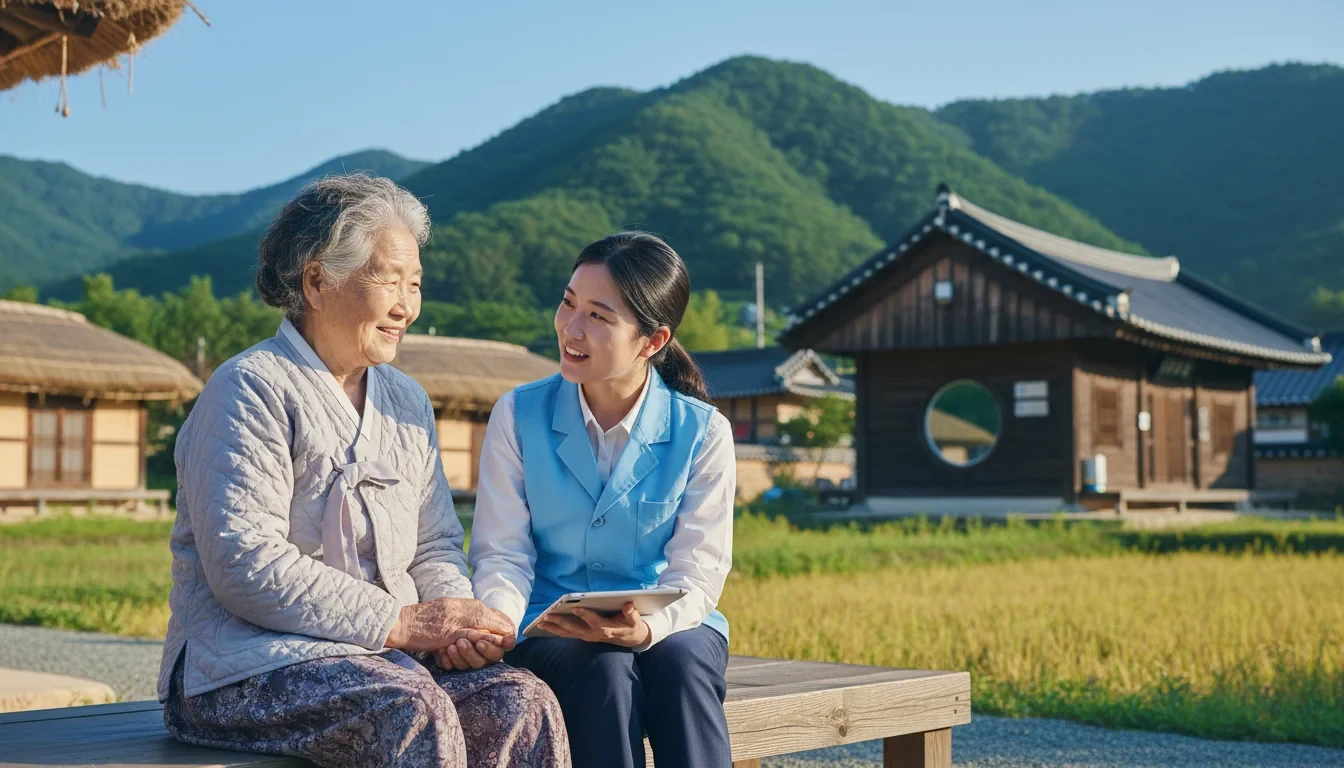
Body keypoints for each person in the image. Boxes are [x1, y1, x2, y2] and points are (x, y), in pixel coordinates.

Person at [157, 174, 569, 768]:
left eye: (415, 283)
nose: (407, 306)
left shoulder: (407, 400)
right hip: (241, 665)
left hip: (385, 661)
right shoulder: (249, 388)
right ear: (317, 282)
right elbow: (247, 563)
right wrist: (403, 622)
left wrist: (456, 623)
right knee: (412, 708)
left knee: (520, 700)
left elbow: (434, 545)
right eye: (389, 281)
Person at [470, 232, 736, 768]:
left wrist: (646, 628)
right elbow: (502, 553)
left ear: (652, 341)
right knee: (603, 668)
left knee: (683, 663)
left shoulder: (704, 432)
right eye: (569, 303)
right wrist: (497, 623)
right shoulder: (518, 415)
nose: (571, 328)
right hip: (548, 625)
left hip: (671, 623)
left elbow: (698, 569)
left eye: (598, 316)